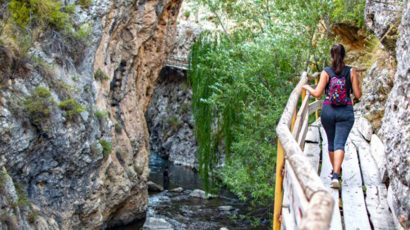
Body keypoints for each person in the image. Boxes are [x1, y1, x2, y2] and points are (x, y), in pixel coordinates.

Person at [302, 44, 362, 188]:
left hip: (328, 111)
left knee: (330, 143)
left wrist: (306, 87)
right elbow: (358, 95)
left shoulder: (326, 72)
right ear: (344, 55)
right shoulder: (351, 71)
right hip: (345, 111)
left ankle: (335, 171)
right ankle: (336, 175)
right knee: (339, 143)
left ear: (331, 55)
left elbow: (317, 93)